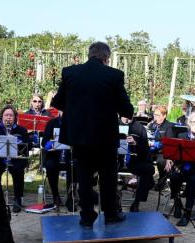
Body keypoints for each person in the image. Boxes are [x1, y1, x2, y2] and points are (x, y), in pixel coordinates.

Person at [51, 41, 134, 227]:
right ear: (106, 58)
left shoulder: (70, 73)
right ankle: (110, 214)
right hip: (105, 138)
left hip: (80, 137)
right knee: (108, 177)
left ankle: (87, 216)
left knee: (84, 178)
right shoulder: (114, 75)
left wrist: (77, 109)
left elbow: (58, 102)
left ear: (89, 55)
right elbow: (126, 110)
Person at [0, 105, 31, 213]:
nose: (8, 118)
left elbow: (28, 146)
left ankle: (17, 199)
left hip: (16, 158)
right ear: (2, 116)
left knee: (18, 170)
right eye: (6, 115)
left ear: (15, 117)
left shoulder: (21, 130)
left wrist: (19, 144)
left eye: (11, 115)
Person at [41, 109, 77, 211]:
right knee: (50, 165)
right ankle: (55, 196)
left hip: (70, 155)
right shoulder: (52, 123)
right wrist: (51, 143)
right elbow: (44, 142)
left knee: (74, 164)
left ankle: (71, 197)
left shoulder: (76, 122)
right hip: (55, 155)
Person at [119, 117, 155, 212]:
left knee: (149, 169)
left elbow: (146, 150)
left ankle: (137, 201)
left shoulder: (139, 128)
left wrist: (135, 143)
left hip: (133, 161)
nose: (125, 117)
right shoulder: (113, 124)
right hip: (115, 160)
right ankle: (114, 201)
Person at [147, 105, 174, 189]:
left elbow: (168, 142)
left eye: (158, 115)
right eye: (155, 115)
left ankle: (161, 182)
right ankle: (149, 181)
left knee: (161, 161)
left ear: (164, 115)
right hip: (151, 150)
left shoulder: (169, 126)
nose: (155, 117)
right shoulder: (152, 124)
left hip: (163, 151)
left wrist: (154, 144)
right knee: (144, 158)